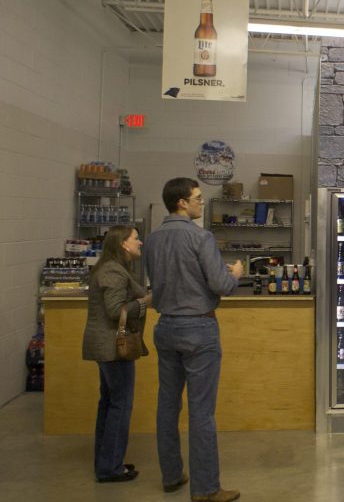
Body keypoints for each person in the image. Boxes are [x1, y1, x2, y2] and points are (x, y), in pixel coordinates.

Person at [143, 178, 244, 502]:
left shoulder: (152, 239)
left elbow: (157, 282)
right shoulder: (201, 237)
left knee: (167, 404)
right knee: (201, 412)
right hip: (199, 328)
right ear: (182, 203)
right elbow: (221, 286)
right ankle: (206, 488)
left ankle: (172, 475)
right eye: (198, 198)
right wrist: (235, 275)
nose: (202, 203)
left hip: (165, 327)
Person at [82, 225, 151, 483]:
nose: (140, 242)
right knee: (120, 405)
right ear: (123, 243)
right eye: (136, 238)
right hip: (113, 348)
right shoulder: (113, 271)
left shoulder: (113, 268)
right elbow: (115, 310)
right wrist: (146, 302)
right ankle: (110, 467)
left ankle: (105, 463)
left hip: (106, 348)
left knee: (109, 404)